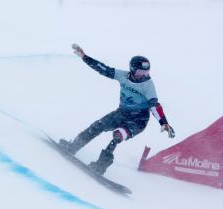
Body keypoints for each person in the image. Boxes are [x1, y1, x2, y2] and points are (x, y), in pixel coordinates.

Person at [59, 44, 175, 175]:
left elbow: (154, 106)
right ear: (132, 70)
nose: (143, 75)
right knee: (97, 126)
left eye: (146, 73)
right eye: (140, 72)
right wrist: (85, 57)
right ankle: (73, 147)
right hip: (122, 113)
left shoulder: (148, 85)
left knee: (117, 136)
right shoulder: (122, 75)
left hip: (138, 120)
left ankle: (100, 166)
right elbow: (103, 69)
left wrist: (164, 122)